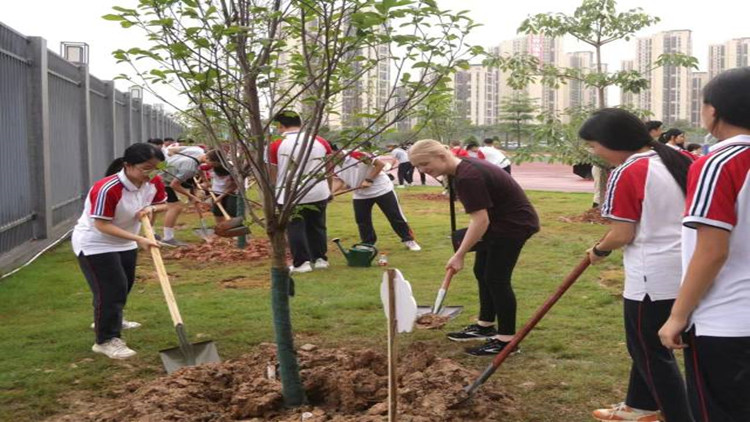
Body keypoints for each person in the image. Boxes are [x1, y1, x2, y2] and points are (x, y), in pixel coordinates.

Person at [579, 109, 694, 422]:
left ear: (613, 141)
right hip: (690, 271)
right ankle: (640, 406)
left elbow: (623, 233)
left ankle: (681, 415)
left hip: (651, 278)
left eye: (594, 146)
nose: (595, 152)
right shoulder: (680, 158)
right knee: (648, 347)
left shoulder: (629, 171)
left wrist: (599, 250)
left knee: (649, 352)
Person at [659, 67, 750, 422]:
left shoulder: (718, 163)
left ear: (713, 112)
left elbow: (712, 250)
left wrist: (677, 316)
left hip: (726, 319)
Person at [409, 139, 539, 356]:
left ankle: (506, 341)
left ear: (441, 156)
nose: (423, 170)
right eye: (418, 167)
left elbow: (480, 221)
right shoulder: (462, 169)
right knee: (483, 272)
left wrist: (459, 255)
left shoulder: (469, 176)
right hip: (499, 224)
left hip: (512, 226)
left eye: (424, 164)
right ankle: (485, 325)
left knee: (497, 279)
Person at [72, 143, 167, 359]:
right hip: (96, 242)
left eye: (155, 168)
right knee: (111, 289)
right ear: (128, 165)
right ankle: (106, 340)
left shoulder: (153, 181)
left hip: (125, 241)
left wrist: (151, 208)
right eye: (145, 168)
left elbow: (164, 204)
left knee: (125, 285)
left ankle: (110, 317)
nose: (150, 173)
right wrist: (139, 238)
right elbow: (101, 225)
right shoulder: (107, 188)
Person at [268, 111, 333, 273]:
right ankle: (320, 259)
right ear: (300, 123)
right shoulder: (320, 141)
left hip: (290, 193)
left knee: (295, 227)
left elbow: (273, 172)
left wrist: (275, 193)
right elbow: (329, 168)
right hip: (318, 190)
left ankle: (302, 263)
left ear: (280, 126)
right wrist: (329, 189)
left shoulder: (276, 144)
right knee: (317, 226)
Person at [333, 148, 421, 251]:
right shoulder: (332, 164)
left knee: (394, 215)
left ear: (336, 151)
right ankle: (368, 243)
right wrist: (330, 193)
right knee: (362, 220)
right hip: (361, 194)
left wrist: (369, 179)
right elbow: (339, 181)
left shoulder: (357, 155)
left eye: (329, 154)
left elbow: (380, 165)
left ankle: (409, 240)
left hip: (382, 189)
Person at [158, 145, 206, 245]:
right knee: (175, 207)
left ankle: (158, 235)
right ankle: (167, 238)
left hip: (161, 169)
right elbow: (174, 185)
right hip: (161, 179)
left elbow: (171, 150)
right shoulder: (190, 169)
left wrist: (175, 162)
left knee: (172, 206)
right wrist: (192, 197)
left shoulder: (197, 150)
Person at [204, 150, 238, 223]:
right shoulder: (208, 166)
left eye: (208, 159)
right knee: (217, 212)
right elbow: (199, 169)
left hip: (233, 192)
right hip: (217, 190)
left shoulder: (231, 169)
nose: (206, 161)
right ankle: (221, 229)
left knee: (232, 210)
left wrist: (221, 196)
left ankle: (233, 228)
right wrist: (206, 182)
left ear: (217, 161)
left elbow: (233, 186)